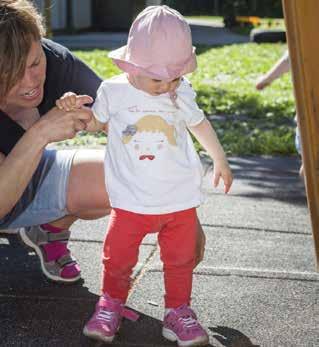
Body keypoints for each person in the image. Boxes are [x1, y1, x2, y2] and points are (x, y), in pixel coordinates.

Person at [57, 6, 233, 346]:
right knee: (118, 257)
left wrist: (220, 158)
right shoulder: (114, 91)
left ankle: (178, 311)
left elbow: (198, 123)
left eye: (175, 77)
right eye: (157, 78)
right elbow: (96, 123)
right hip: (130, 198)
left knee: (180, 259)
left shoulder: (180, 91)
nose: (167, 86)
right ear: (131, 68)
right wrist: (75, 110)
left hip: (177, 197)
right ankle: (110, 303)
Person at [0, 0, 206, 284]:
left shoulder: (57, 62)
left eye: (35, 63)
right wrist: (40, 132)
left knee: (128, 175)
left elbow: (127, 123)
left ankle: (48, 229)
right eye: (11, 75)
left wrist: (183, 212)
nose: (29, 82)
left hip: (27, 179)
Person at [255, 50, 304, 176]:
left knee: (309, 164)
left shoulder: (303, 38)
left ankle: (313, 193)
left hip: (308, 120)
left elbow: (287, 60)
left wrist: (266, 80)